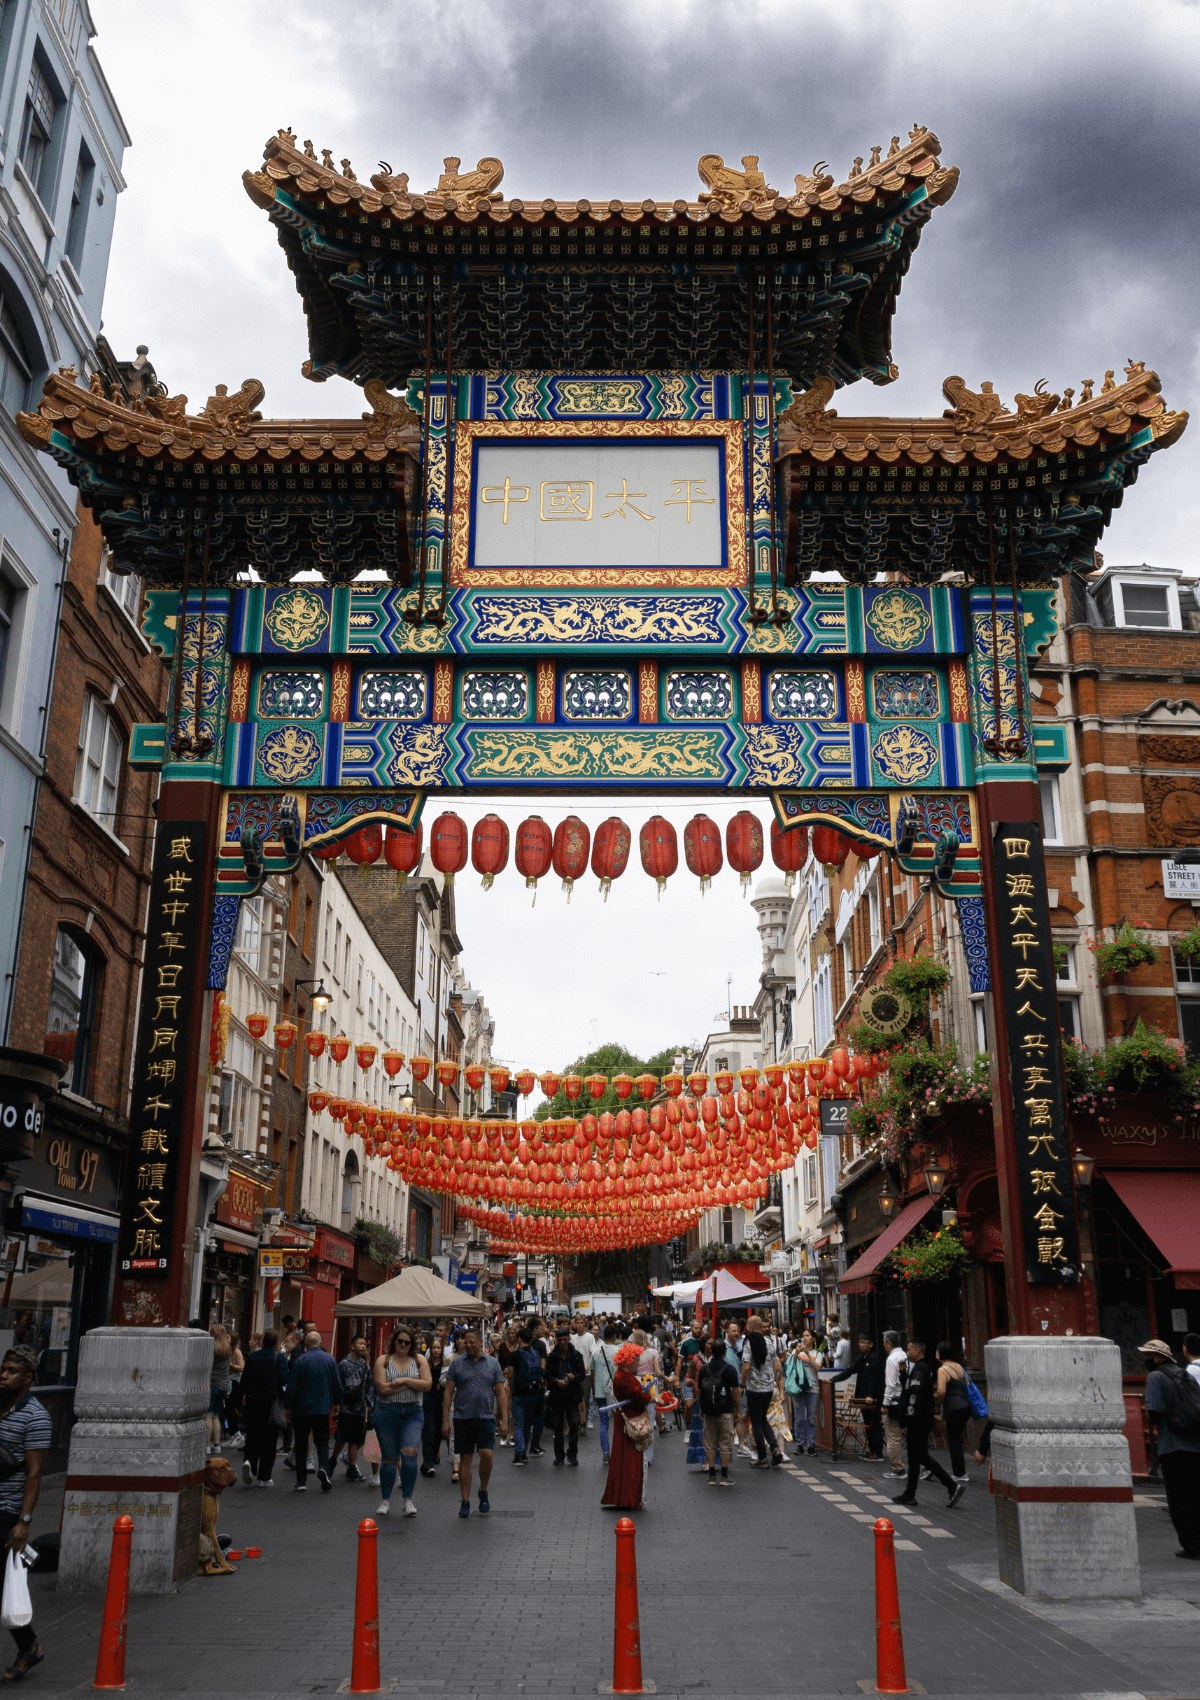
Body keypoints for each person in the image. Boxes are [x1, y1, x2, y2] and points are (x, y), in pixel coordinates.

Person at [0, 1348, 49, 1681]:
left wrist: (24, 1521)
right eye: (3, 1369)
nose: (4, 1375)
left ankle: (29, 1646)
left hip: (7, 1508)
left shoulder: (35, 1416)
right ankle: (29, 1645)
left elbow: (34, 1473)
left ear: (28, 1377)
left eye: (12, 1371)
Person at [1139, 1338, 1200, 1560]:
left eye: (1148, 1355)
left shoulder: (1156, 1377)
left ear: (1157, 1357)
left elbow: (1154, 1414)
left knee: (1179, 1499)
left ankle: (1192, 1546)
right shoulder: (1185, 1373)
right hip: (1196, 1443)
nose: (1146, 1359)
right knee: (1196, 1495)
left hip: (1173, 1445)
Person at [442, 1328, 508, 1518]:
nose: (468, 1345)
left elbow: (501, 1393)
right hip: (463, 1417)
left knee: (487, 1455)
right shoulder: (457, 1364)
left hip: (486, 1417)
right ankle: (465, 1501)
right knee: (466, 1458)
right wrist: (445, 1420)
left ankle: (483, 1490)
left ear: (480, 1342)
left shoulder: (493, 1364)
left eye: (472, 1342)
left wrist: (504, 1420)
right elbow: (448, 1393)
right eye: (465, 1342)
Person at [893, 1339, 963, 1509]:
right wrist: (903, 1374)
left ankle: (951, 1486)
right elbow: (910, 1390)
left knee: (921, 1456)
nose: (907, 1353)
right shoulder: (918, 1370)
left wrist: (908, 1419)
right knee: (914, 1456)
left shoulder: (920, 1370)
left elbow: (914, 1398)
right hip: (919, 1420)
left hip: (918, 1421)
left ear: (917, 1351)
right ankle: (910, 1493)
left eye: (909, 1350)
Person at [372, 1326, 431, 1517]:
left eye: (408, 1342)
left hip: (412, 1412)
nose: (403, 1345)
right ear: (394, 1342)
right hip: (386, 1412)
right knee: (389, 1458)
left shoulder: (419, 1360)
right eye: (400, 1341)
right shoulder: (383, 1360)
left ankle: (408, 1500)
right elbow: (382, 1389)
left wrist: (403, 1380)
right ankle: (385, 1500)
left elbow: (427, 1385)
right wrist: (413, 1384)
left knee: (410, 1452)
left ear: (412, 1344)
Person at [283, 1330, 342, 1494]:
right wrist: (337, 1402)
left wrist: (287, 1405)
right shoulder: (329, 1359)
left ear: (306, 1344)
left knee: (301, 1443)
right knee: (322, 1442)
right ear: (321, 1342)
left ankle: (301, 1481)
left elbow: (292, 1385)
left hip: (302, 1408)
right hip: (322, 1407)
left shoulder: (300, 1361)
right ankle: (323, 1467)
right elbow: (337, 1383)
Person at [601, 1341, 649, 1511]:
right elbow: (638, 1396)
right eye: (636, 1359)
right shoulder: (624, 1378)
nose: (638, 1362)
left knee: (627, 1459)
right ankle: (630, 1498)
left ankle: (627, 1497)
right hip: (630, 1421)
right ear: (628, 1360)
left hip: (627, 1419)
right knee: (631, 1461)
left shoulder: (622, 1375)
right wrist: (652, 1398)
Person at [240, 1328, 286, 1487]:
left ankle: (249, 1462)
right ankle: (264, 1476)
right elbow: (284, 1378)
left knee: (252, 1434)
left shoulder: (252, 1357)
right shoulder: (279, 1357)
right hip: (271, 1402)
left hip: (253, 1401)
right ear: (275, 1342)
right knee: (269, 1439)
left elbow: (244, 1380)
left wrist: (243, 1398)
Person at [830, 1332, 885, 1460]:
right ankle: (871, 1450)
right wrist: (834, 1379)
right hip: (862, 1398)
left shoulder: (874, 1358)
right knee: (867, 1425)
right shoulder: (861, 1359)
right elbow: (849, 1371)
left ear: (871, 1344)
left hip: (872, 1399)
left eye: (865, 1343)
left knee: (874, 1424)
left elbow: (874, 1379)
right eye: (860, 1342)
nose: (862, 1345)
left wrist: (871, 1395)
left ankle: (877, 1452)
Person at [741, 1317, 784, 1467]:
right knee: (763, 1419)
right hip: (768, 1388)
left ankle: (762, 1457)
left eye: (748, 1325)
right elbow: (776, 1365)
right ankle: (775, 1448)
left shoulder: (749, 1342)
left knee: (756, 1422)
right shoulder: (770, 1343)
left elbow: (746, 1367)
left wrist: (742, 1383)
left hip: (754, 1388)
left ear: (752, 1326)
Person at [698, 1338, 740, 1487]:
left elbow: (700, 1390)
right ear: (724, 1352)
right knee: (725, 1443)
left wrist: (702, 1408)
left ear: (711, 1351)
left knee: (710, 1443)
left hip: (709, 1410)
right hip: (725, 1410)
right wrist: (738, 1411)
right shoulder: (730, 1369)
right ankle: (723, 1476)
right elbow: (735, 1392)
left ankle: (711, 1476)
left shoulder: (704, 1369)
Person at [331, 1334, 372, 1483]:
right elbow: (338, 1385)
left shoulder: (365, 1366)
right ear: (352, 1346)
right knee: (342, 1437)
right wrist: (336, 1404)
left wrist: (370, 1406)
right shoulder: (344, 1364)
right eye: (360, 1344)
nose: (363, 1346)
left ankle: (352, 1468)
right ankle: (333, 1460)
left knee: (355, 1440)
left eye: (365, 1344)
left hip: (360, 1409)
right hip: (346, 1408)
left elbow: (369, 1387)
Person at [546, 1326, 586, 1466]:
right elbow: (548, 1376)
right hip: (557, 1395)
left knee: (574, 1424)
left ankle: (572, 1454)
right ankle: (559, 1455)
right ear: (557, 1340)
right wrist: (557, 1381)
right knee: (557, 1426)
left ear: (568, 1339)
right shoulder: (552, 1357)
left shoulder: (576, 1356)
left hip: (572, 1395)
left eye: (565, 1339)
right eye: (560, 1339)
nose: (563, 1342)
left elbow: (582, 1375)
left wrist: (574, 1376)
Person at [934, 1341, 972, 1484]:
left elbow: (942, 1391)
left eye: (937, 1351)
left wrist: (940, 1400)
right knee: (957, 1437)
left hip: (953, 1407)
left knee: (953, 1439)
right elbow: (967, 1384)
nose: (936, 1354)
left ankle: (960, 1473)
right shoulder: (959, 1367)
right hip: (965, 1406)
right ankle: (961, 1471)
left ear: (941, 1354)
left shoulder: (943, 1370)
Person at [509, 1327, 544, 1465]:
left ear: (519, 1339)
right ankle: (524, 1453)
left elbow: (511, 1374)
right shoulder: (535, 1353)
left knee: (518, 1424)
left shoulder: (515, 1354)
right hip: (534, 1392)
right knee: (527, 1424)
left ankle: (519, 1454)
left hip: (519, 1393)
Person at [784, 1333, 820, 1458]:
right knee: (799, 1418)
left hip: (813, 1388)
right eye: (804, 1336)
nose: (805, 1338)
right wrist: (796, 1353)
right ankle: (799, 1445)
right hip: (798, 1387)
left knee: (812, 1418)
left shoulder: (818, 1354)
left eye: (808, 1336)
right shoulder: (796, 1351)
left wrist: (808, 1355)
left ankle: (811, 1446)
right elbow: (788, 1366)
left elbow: (817, 1368)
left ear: (813, 1339)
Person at [421, 1336, 450, 1475]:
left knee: (438, 1434)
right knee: (429, 1432)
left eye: (439, 1347)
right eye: (434, 1347)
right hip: (427, 1401)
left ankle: (431, 1459)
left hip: (441, 1401)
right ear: (430, 1349)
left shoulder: (445, 1364)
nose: (436, 1350)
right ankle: (429, 1463)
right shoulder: (425, 1364)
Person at [591, 1324, 619, 1463]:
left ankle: (606, 1454)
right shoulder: (619, 1352)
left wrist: (594, 1390)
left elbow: (592, 1371)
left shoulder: (596, 1352)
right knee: (619, 1423)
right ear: (615, 1336)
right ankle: (618, 1452)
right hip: (617, 1392)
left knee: (604, 1423)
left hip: (600, 1391)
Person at [881, 1331, 908, 1478]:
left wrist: (885, 1404)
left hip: (895, 1401)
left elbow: (890, 1385)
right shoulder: (906, 1356)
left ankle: (898, 1469)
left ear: (889, 1344)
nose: (884, 1346)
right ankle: (925, 1466)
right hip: (907, 1400)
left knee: (893, 1437)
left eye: (884, 1343)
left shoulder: (891, 1359)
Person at [207, 1324, 232, 1457]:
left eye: (212, 1332)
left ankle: (206, 1445)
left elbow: (209, 1365)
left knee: (208, 1416)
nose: (210, 1333)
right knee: (216, 1416)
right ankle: (217, 1445)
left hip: (213, 1383)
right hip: (224, 1384)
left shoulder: (212, 1347)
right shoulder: (227, 1348)